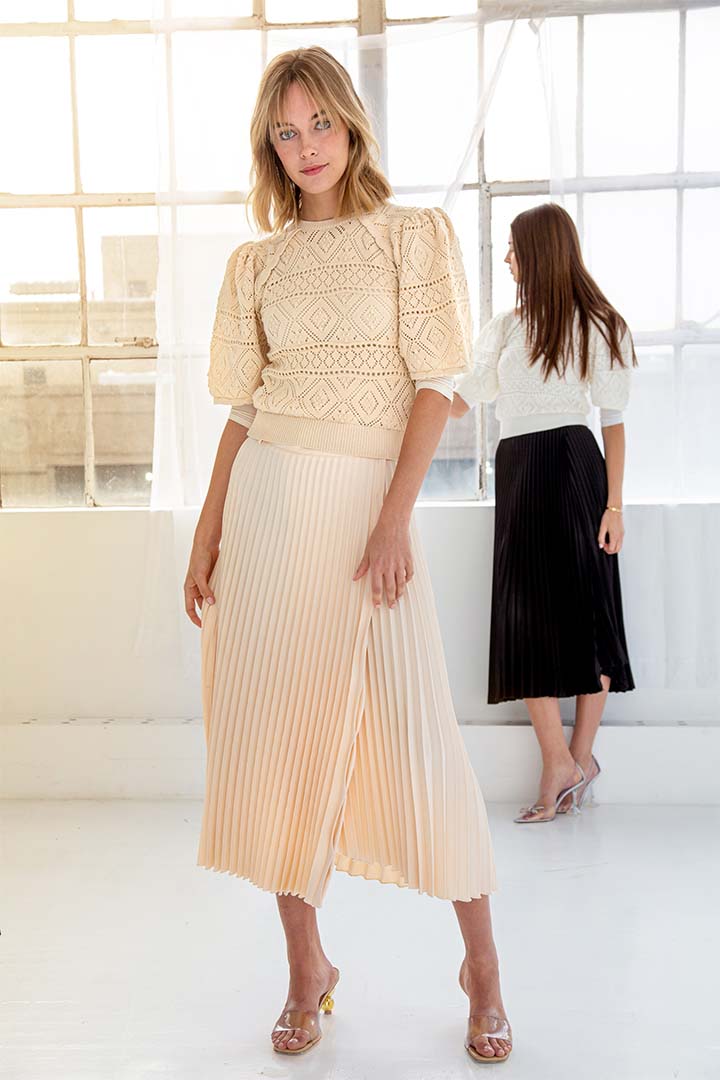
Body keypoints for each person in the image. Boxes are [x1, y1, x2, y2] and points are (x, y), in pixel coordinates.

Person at [183, 47, 512, 1063]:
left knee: (419, 738)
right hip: (266, 515)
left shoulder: (413, 236)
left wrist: (394, 518)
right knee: (273, 742)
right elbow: (245, 411)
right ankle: (306, 968)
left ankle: (483, 969)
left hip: (368, 516)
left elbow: (436, 387)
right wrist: (206, 530)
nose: (307, 146)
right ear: (269, 147)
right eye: (286, 132)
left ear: (351, 123)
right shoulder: (257, 264)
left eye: (319, 122)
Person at [452, 202, 636, 824]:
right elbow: (463, 398)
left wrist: (614, 506)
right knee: (524, 615)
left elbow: (613, 422)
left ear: (539, 251)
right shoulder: (504, 328)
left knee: (590, 615)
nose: (507, 258)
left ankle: (577, 760)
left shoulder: (598, 324)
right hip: (520, 471)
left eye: (513, 247)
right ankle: (556, 760)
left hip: (576, 468)